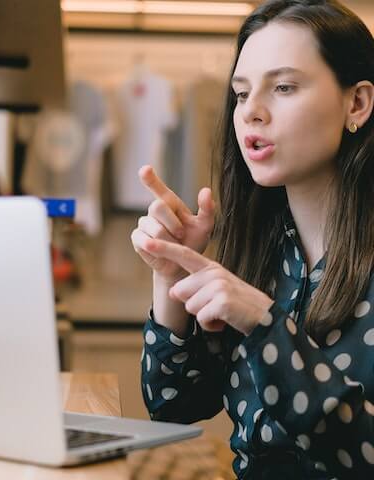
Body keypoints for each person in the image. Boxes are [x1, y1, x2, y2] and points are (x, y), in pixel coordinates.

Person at [130, 0, 374, 478]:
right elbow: (173, 405)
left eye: (283, 87)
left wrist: (265, 325)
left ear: (358, 103)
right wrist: (171, 276)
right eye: (241, 94)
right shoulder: (263, 250)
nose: (251, 114)